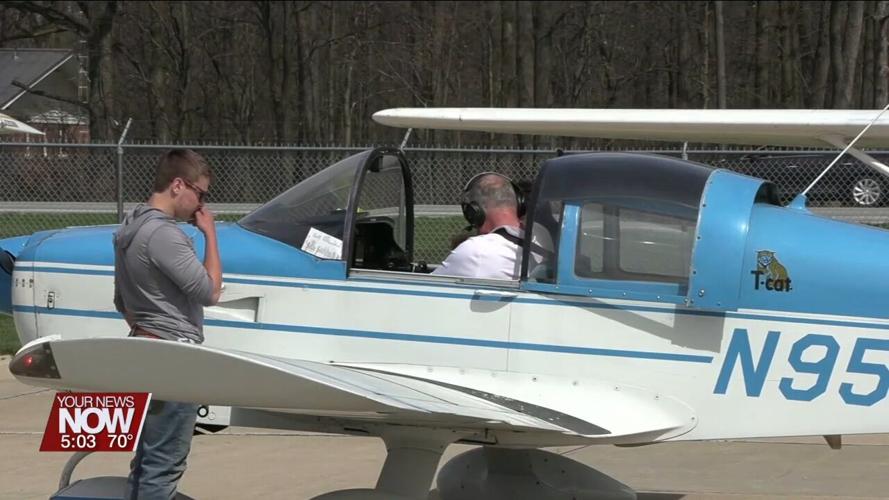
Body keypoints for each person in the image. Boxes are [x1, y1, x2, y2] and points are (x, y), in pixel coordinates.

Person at [114, 149, 223, 499]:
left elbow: (122, 303)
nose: (200, 204)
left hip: (142, 347)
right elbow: (209, 292)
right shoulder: (165, 235)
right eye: (200, 193)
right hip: (174, 355)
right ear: (178, 185)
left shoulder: (129, 228)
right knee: (164, 464)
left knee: (146, 461)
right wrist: (210, 234)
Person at [433, 172, 544, 280]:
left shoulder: (476, 251)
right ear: (520, 204)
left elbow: (424, 289)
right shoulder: (543, 236)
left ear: (473, 212)